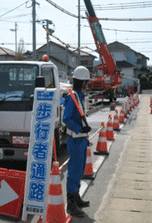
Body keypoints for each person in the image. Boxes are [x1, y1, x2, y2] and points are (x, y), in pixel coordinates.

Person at [63, 66, 92, 218]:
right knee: (74, 172)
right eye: (86, 82)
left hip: (80, 139)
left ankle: (76, 198)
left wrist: (83, 132)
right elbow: (66, 118)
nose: (88, 85)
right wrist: (80, 129)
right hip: (75, 140)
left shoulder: (79, 96)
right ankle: (71, 204)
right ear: (82, 82)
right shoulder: (73, 96)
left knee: (80, 171)